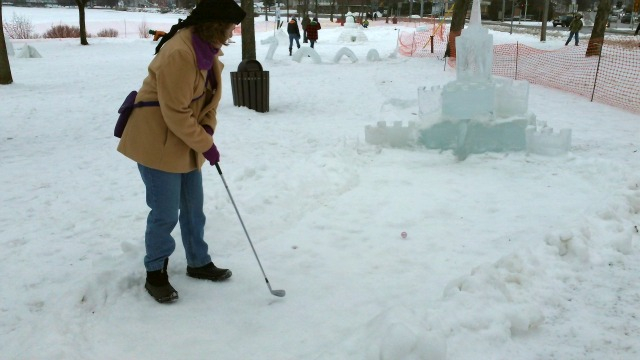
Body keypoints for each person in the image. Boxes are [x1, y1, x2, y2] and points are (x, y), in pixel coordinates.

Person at [116, 0, 246, 303]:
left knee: (192, 208)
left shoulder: (205, 49)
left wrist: (208, 130)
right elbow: (175, 111)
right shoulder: (179, 52)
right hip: (157, 142)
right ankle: (155, 271)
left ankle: (198, 262)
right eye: (229, 26)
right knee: (164, 212)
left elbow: (208, 101)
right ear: (216, 24)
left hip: (184, 140)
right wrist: (206, 144)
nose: (231, 33)